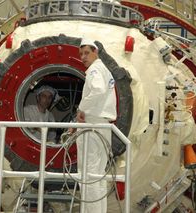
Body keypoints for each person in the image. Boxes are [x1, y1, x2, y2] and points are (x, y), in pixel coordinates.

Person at [76, 38, 117, 213]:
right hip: (103, 125)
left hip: (92, 125)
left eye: (86, 53)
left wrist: (81, 108)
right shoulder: (104, 70)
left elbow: (98, 90)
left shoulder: (94, 70)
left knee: (88, 171)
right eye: (81, 54)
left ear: (96, 52)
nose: (83, 57)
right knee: (98, 174)